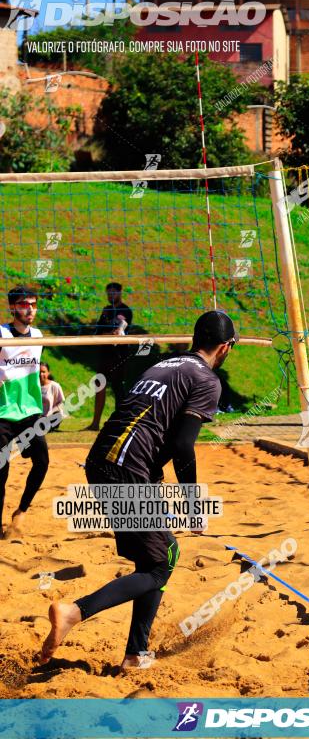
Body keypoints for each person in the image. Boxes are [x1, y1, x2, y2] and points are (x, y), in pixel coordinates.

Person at [40, 309, 238, 671]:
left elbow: (146, 420)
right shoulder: (207, 379)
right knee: (160, 565)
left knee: (159, 557)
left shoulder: (162, 366)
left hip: (103, 459)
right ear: (225, 347)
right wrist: (193, 506)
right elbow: (182, 445)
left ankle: (135, 654)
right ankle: (74, 612)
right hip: (126, 469)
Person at [0, 286, 49, 539]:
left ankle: (20, 511)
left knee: (42, 462)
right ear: (12, 308)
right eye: (23, 304)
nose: (29, 308)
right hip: (3, 413)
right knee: (2, 469)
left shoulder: (39, 335)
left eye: (33, 304)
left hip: (30, 413)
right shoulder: (1, 334)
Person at [86, 282, 133, 431]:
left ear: (120, 293)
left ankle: (120, 424)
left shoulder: (125, 310)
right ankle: (95, 423)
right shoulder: (106, 310)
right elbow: (97, 332)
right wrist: (107, 334)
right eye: (108, 293)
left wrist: (108, 334)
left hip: (119, 355)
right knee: (99, 386)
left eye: (113, 292)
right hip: (105, 354)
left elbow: (118, 332)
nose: (110, 295)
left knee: (118, 388)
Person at [40, 363, 65, 431]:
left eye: (43, 372)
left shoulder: (55, 386)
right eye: (39, 372)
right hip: (38, 417)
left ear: (48, 373)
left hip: (51, 417)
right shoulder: (33, 386)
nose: (41, 374)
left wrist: (51, 412)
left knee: (58, 415)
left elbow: (61, 404)